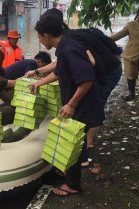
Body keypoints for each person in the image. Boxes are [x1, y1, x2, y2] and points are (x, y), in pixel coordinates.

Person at [35, 13, 105, 196]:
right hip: (78, 102)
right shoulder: (64, 47)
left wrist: (71, 104)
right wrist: (37, 82)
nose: (40, 41)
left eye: (39, 37)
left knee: (73, 141)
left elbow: (87, 79)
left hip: (83, 103)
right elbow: (59, 72)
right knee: (74, 140)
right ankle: (70, 174)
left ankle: (73, 185)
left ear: (46, 36)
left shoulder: (70, 49)